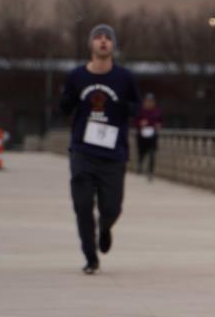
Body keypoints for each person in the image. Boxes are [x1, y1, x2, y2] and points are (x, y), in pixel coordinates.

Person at [60, 24, 140, 274]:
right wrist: (68, 101)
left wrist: (125, 107)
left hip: (113, 153)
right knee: (82, 205)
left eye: (108, 38)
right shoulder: (77, 76)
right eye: (98, 38)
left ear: (113, 45)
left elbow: (137, 108)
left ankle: (105, 226)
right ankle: (90, 257)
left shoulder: (124, 78)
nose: (103, 41)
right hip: (82, 151)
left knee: (112, 207)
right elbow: (65, 107)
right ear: (91, 44)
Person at [135, 91, 162, 179]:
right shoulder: (141, 111)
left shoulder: (157, 111)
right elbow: (135, 122)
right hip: (142, 137)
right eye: (147, 101)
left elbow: (160, 121)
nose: (149, 103)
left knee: (152, 154)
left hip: (152, 137)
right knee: (142, 153)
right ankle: (140, 165)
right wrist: (140, 123)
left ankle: (150, 172)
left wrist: (158, 125)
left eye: (151, 101)